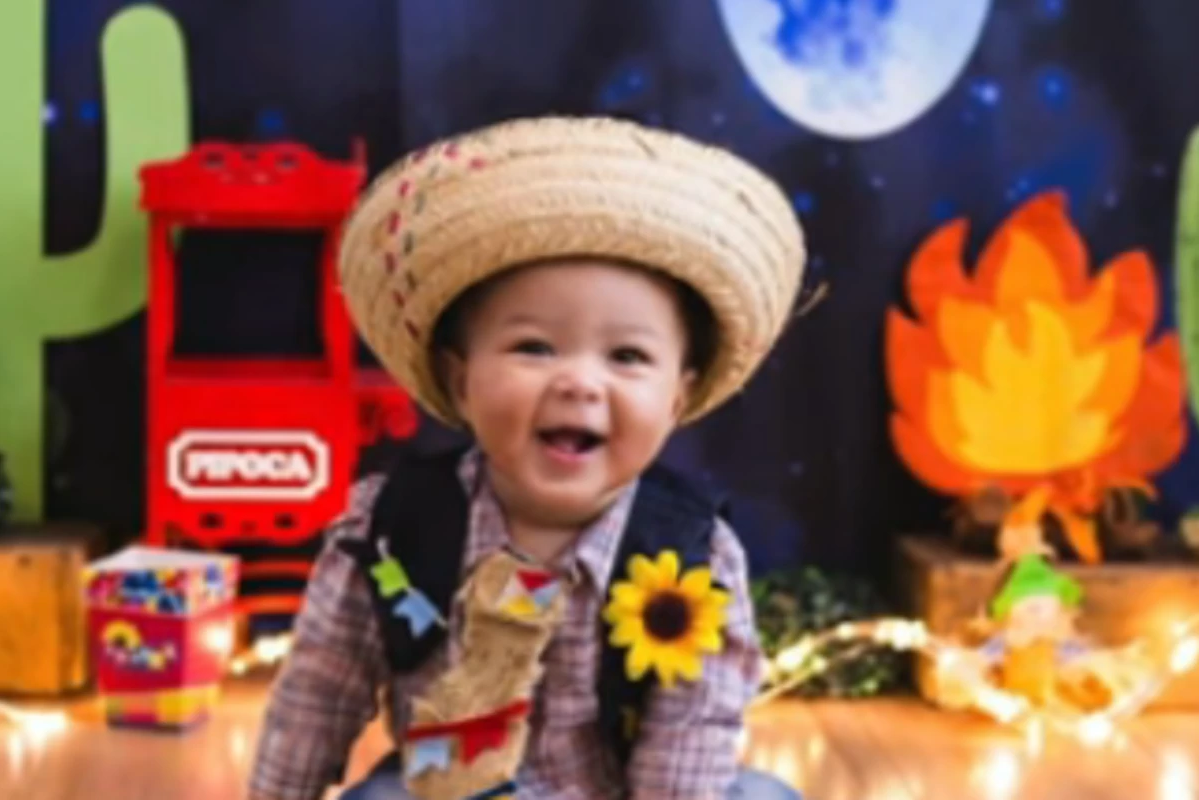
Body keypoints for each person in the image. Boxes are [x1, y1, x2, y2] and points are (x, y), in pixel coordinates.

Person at [247, 116, 806, 800]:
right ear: (460, 381)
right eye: (534, 348)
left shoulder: (694, 556)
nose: (579, 381)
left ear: (676, 400)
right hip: (443, 791)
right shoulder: (389, 526)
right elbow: (316, 695)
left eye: (627, 356)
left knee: (763, 795)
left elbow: (692, 733)